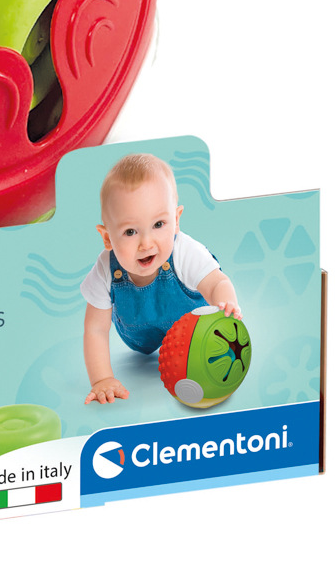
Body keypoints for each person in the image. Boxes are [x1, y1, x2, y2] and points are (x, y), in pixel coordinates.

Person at [81, 153, 240, 404]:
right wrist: (102, 379)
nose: (146, 243)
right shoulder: (105, 269)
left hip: (192, 331)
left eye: (158, 224)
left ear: (175, 220)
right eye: (130, 231)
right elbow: (96, 329)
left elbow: (216, 283)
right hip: (137, 337)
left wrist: (225, 304)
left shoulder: (185, 251)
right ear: (108, 237)